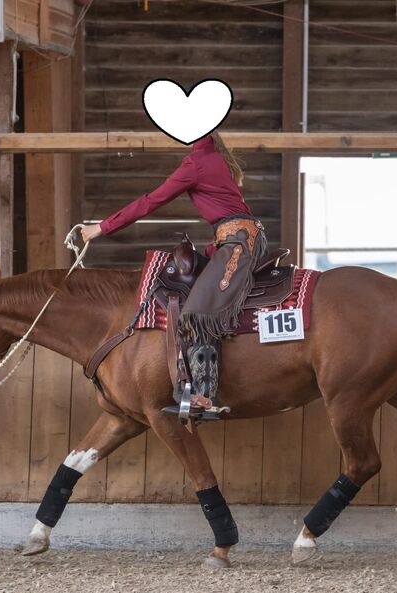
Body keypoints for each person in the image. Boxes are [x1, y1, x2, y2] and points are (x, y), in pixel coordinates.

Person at [80, 131, 268, 418]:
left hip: (238, 242)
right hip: (235, 239)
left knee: (196, 313)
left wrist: (101, 228)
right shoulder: (213, 157)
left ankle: (205, 398)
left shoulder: (197, 163)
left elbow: (150, 201)